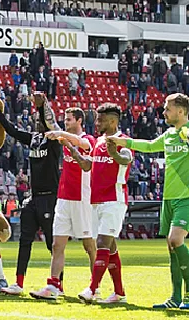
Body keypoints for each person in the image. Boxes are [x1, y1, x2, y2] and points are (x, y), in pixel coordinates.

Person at [110, 93, 189, 309]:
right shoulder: (170, 134)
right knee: (172, 248)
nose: (164, 112)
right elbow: (149, 145)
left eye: (168, 108)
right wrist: (121, 141)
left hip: (186, 197)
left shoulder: (187, 132)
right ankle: (175, 298)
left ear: (180, 111)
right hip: (169, 197)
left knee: (176, 240)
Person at [61, 103, 132, 304]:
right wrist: (71, 149)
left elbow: (126, 159)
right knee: (110, 248)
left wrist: (115, 153)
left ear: (112, 121)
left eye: (100, 119)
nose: (97, 123)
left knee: (101, 243)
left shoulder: (123, 141)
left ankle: (92, 289)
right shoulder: (99, 141)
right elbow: (87, 165)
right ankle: (119, 293)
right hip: (96, 201)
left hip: (114, 200)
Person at [0, 93, 62, 295]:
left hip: (50, 196)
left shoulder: (55, 138)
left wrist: (42, 107)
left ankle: (57, 284)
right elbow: (13, 131)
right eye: (36, 119)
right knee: (25, 240)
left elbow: (50, 123)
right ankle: (18, 283)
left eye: (40, 119)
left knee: (52, 244)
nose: (38, 122)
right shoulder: (34, 138)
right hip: (33, 197)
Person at [30, 107, 97, 300]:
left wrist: (62, 134)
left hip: (82, 199)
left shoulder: (88, 139)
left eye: (69, 120)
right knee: (57, 244)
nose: (66, 122)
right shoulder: (66, 138)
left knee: (89, 246)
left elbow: (83, 143)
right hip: (64, 198)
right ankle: (53, 285)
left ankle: (95, 285)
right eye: (65, 120)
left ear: (78, 120)